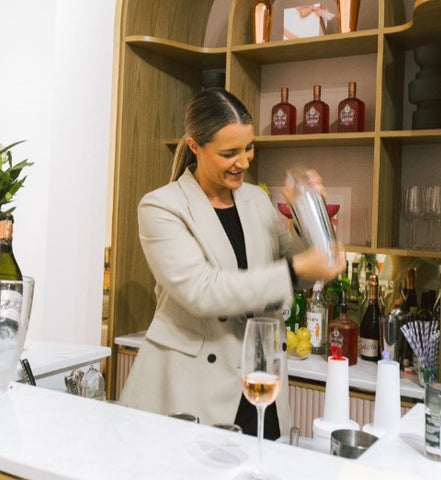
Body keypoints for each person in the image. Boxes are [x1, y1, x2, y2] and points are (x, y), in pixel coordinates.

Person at [120, 87, 346, 438]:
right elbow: (204, 292)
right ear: (195, 146)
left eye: (249, 148)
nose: (244, 162)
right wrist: (295, 270)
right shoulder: (161, 207)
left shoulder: (255, 198)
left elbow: (295, 270)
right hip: (190, 390)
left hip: (259, 380)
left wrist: (306, 211)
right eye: (230, 153)